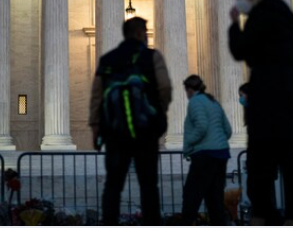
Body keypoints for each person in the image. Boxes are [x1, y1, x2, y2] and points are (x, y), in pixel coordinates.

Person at [228, 0, 293, 225]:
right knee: (285, 160)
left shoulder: (261, 15)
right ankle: (290, 216)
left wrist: (234, 24)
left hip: (267, 99)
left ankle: (263, 215)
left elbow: (240, 50)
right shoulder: (283, 15)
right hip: (289, 96)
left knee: (258, 162)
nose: (239, 1)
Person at [89, 17, 172, 226]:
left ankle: (109, 223)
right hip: (145, 131)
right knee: (149, 185)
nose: (146, 35)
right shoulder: (151, 56)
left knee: (113, 185)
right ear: (138, 33)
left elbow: (96, 96)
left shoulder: (108, 59)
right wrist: (158, 113)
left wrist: (96, 127)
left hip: (115, 132)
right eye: (145, 31)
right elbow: (164, 88)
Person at [181, 74, 232, 225]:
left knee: (191, 197)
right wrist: (217, 141)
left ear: (189, 89)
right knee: (214, 198)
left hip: (204, 155)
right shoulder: (213, 102)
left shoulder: (195, 102)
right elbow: (228, 130)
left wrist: (189, 143)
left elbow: (201, 126)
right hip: (221, 154)